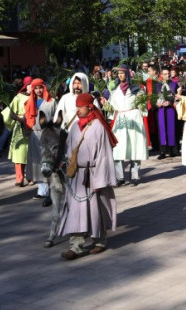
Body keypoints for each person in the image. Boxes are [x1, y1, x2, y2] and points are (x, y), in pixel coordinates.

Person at [58, 92, 118, 260]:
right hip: (77, 175)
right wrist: (66, 162)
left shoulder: (99, 127)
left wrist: (100, 181)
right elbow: (69, 149)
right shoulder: (74, 127)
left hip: (93, 175)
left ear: (90, 107)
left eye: (81, 107)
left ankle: (100, 241)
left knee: (95, 210)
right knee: (75, 210)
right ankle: (75, 246)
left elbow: (104, 156)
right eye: (76, 107)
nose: (77, 110)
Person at [103, 66, 148, 186]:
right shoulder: (115, 91)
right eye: (118, 73)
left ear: (127, 74)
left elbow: (143, 105)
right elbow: (112, 109)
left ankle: (135, 176)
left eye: (122, 73)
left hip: (134, 118)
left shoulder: (136, 89)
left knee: (134, 147)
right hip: (121, 120)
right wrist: (105, 104)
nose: (120, 75)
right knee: (118, 149)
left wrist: (141, 103)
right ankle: (120, 177)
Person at [24, 79, 52, 200]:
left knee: (47, 162)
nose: (38, 90)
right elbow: (26, 118)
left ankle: (49, 188)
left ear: (44, 88)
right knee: (36, 162)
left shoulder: (51, 102)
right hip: (34, 134)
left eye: (40, 87)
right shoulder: (29, 102)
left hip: (48, 135)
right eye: (36, 88)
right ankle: (42, 190)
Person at [2, 79, 31, 186]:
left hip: (33, 127)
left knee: (31, 153)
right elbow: (10, 111)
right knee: (19, 154)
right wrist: (13, 119)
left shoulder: (37, 96)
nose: (31, 86)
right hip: (20, 127)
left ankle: (31, 177)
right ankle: (19, 178)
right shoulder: (18, 97)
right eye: (29, 84)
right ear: (26, 86)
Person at [155, 68, 179, 159]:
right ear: (161, 75)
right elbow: (153, 97)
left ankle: (173, 151)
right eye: (165, 74)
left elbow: (176, 96)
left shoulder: (174, 84)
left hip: (170, 109)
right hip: (161, 109)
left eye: (168, 73)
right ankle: (163, 151)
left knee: (171, 128)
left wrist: (170, 102)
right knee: (162, 130)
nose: (168, 75)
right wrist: (157, 104)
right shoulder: (157, 85)